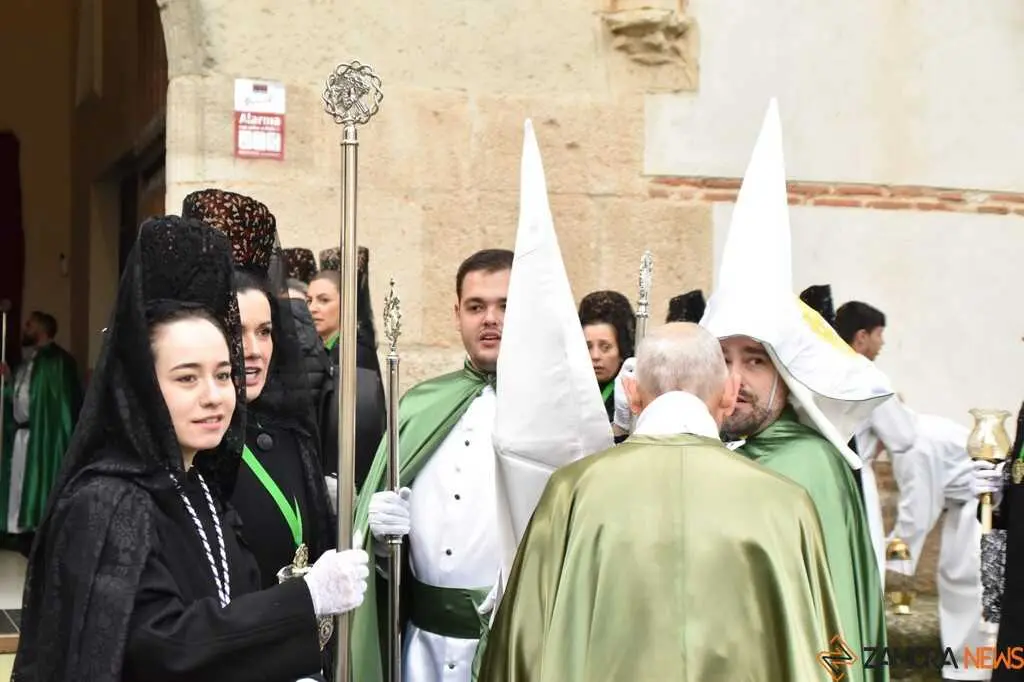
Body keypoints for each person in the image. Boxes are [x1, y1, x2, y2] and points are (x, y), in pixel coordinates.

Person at [13, 216, 369, 682]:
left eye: (223, 374)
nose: (214, 396)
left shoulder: (199, 484)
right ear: (142, 386)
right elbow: (165, 647)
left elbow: (231, 609)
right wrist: (305, 600)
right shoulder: (105, 503)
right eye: (186, 377)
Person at [478, 323, 845, 682]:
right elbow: (821, 653)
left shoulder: (572, 491)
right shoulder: (785, 504)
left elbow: (522, 647)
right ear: (729, 394)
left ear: (631, 393)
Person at [697, 100, 889, 682]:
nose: (736, 379)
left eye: (755, 360)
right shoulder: (720, 455)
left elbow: (828, 630)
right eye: (724, 358)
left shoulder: (808, 468)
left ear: (787, 375)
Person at [349, 248, 513, 682]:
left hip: (507, 650)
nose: (490, 319)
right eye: (476, 307)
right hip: (419, 651)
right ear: (458, 313)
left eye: (505, 306)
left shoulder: (551, 417)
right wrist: (382, 545)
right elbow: (379, 543)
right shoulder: (419, 406)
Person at [182, 189, 335, 592]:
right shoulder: (186, 449)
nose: (252, 350)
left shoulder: (291, 434)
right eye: (235, 331)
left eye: (264, 332)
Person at [837, 298, 990, 679]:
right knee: (957, 582)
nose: (883, 342)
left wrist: (895, 556)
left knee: (967, 581)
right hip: (964, 503)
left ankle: (975, 669)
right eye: (879, 334)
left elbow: (919, 507)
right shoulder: (907, 436)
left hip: (982, 502)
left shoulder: (914, 448)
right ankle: (966, 667)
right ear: (862, 336)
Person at [0, 309, 82, 546]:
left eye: (29, 325)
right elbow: (19, 397)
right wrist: (7, 381)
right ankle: (16, 529)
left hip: (42, 435)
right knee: (18, 482)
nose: (25, 329)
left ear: (42, 329)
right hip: (22, 433)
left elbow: (60, 406)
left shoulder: (58, 362)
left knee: (36, 479)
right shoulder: (29, 362)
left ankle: (36, 531)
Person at [308, 252, 386, 491]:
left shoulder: (354, 352)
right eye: (308, 300)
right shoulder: (324, 347)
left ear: (346, 303)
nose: (313, 308)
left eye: (324, 300)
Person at [577, 290, 634, 422]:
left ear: (622, 350)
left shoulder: (634, 395)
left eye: (605, 347)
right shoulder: (568, 390)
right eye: (588, 347)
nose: (595, 356)